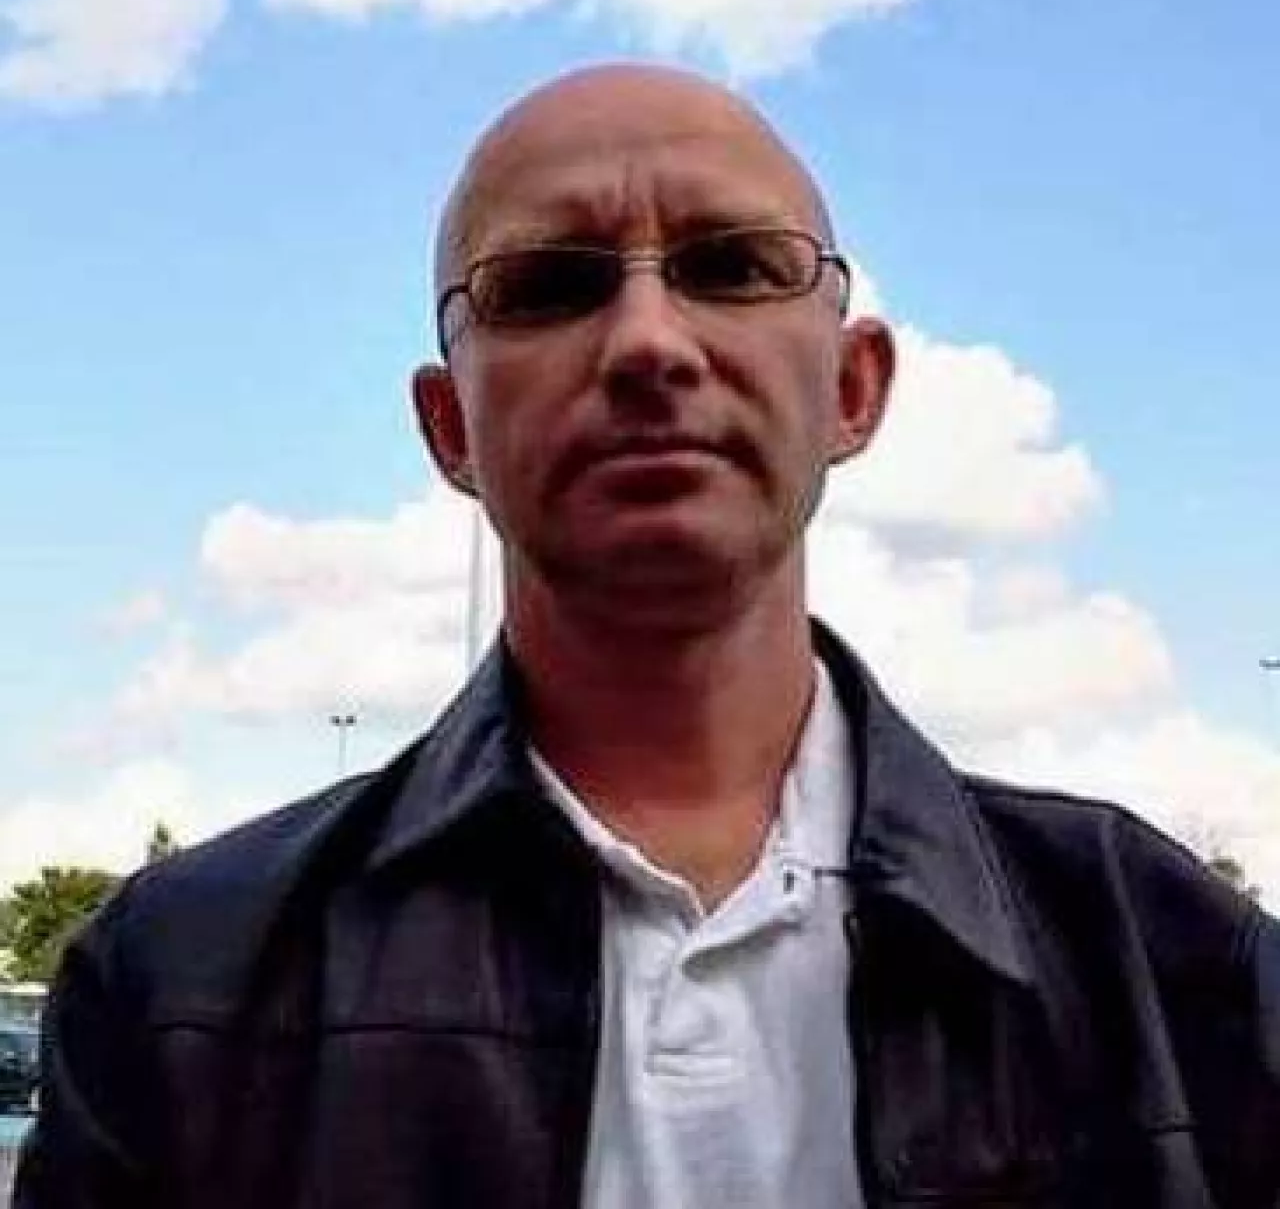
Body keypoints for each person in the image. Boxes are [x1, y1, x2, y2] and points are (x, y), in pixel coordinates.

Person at [16, 63, 1280, 1209]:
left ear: (852, 388)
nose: (646, 342)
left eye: (731, 266)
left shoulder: (1178, 966)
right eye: (547, 285)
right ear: (450, 427)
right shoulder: (176, 983)